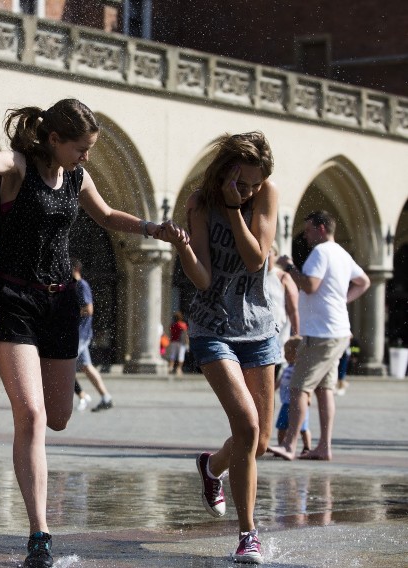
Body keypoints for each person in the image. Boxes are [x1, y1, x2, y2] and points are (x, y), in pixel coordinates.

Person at [0, 98, 177, 567]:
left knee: (58, 417)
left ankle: (37, 519)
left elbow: (106, 216)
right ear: (54, 140)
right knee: (31, 414)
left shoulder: (78, 177)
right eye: (81, 148)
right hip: (16, 301)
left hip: (61, 302)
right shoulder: (19, 168)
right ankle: (40, 534)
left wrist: (153, 228)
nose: (86, 156)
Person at [168, 131, 280, 564]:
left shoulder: (265, 193)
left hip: (259, 327)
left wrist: (238, 209)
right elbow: (204, 280)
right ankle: (248, 534)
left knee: (262, 441)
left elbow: (256, 259)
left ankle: (211, 467)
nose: (251, 190)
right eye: (244, 182)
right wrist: (183, 248)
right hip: (212, 326)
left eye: (255, 184)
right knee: (248, 426)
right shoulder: (200, 202)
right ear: (226, 171)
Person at [268, 210, 370, 462]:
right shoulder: (342, 254)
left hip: (320, 334)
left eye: (309, 228)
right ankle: (324, 447)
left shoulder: (321, 252)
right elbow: (364, 282)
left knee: (298, 388)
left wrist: (288, 266)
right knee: (325, 390)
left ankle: (290, 445)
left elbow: (310, 285)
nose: (305, 234)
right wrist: (341, 301)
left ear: (322, 228)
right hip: (337, 332)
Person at [71, 259, 113, 411]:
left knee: (65, 366)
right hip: (79, 333)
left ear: (75, 268)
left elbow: (89, 309)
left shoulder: (82, 285)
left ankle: (80, 396)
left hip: (81, 334)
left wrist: (71, 313)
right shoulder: (75, 285)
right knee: (86, 367)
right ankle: (106, 397)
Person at [266, 244, 300, 378]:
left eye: (269, 251)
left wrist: (296, 335)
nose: (266, 255)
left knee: (274, 374)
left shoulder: (282, 277)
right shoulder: (252, 275)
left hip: (278, 335)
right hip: (256, 334)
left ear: (275, 254)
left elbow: (293, 310)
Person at [273, 336, 312, 453]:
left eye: (288, 352)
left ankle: (307, 447)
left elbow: (308, 385)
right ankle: (281, 445)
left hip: (300, 405)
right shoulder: (287, 368)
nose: (285, 355)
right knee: (281, 426)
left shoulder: (302, 369)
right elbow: (280, 381)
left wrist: (308, 397)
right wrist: (273, 388)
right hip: (286, 403)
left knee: (303, 427)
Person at [167, 311, 190, 376]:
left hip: (174, 341)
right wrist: (187, 343)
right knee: (181, 355)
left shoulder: (172, 325)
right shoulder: (183, 324)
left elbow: (171, 332)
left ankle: (171, 367)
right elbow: (186, 334)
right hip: (181, 342)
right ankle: (179, 369)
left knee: (173, 355)